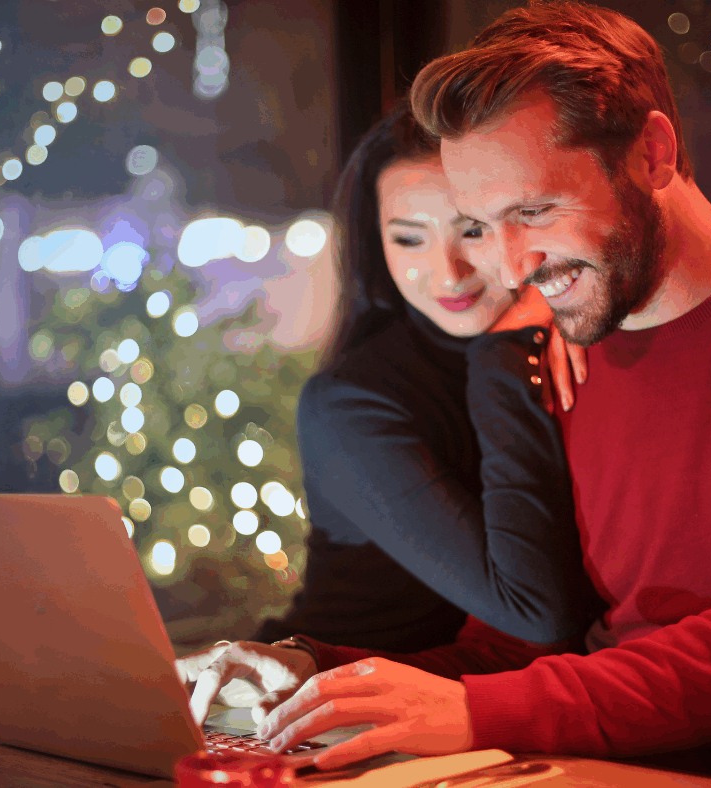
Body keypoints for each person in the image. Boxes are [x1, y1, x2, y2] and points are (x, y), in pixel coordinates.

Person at [188, 0, 711, 768]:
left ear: (652, 154)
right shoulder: (564, 341)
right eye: (485, 224)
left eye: (534, 210)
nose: (510, 266)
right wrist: (317, 676)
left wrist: (479, 708)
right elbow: (518, 654)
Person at [177, 101, 603, 722]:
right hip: (307, 701)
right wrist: (503, 353)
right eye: (409, 238)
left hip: (453, 709)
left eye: (472, 230)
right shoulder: (353, 402)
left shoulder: (565, 343)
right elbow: (536, 612)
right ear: (377, 245)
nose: (447, 272)